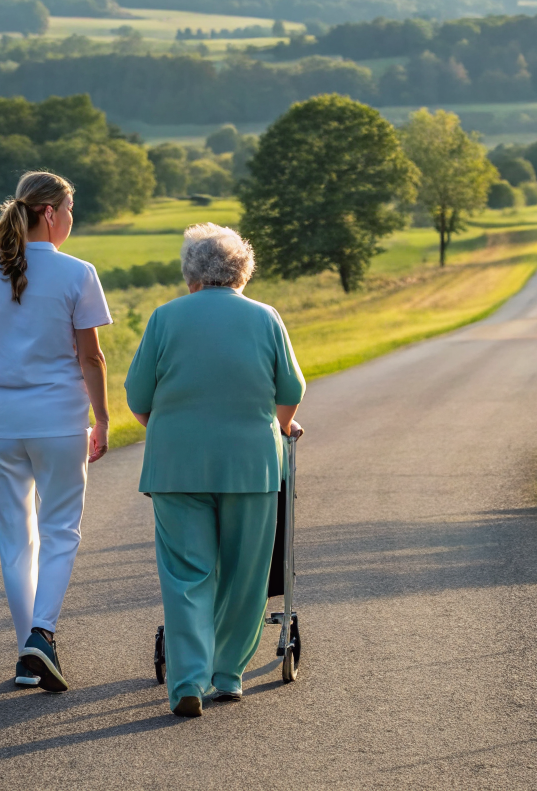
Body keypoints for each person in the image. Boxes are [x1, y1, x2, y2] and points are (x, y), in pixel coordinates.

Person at [125, 223, 305, 717]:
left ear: (192, 275)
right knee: (244, 575)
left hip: (177, 465)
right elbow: (290, 390)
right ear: (241, 272)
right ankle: (228, 675)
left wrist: (167, 426)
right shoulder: (266, 318)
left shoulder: (164, 318)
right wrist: (283, 426)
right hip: (251, 466)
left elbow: (138, 397)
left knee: (187, 575)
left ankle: (187, 681)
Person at [0, 171, 112, 692]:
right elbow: (91, 357)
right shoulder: (77, 273)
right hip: (60, 424)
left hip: (1, 427)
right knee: (60, 530)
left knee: (16, 540)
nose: (70, 220)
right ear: (50, 213)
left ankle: (27, 656)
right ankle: (41, 634)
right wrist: (103, 418)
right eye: (68, 211)